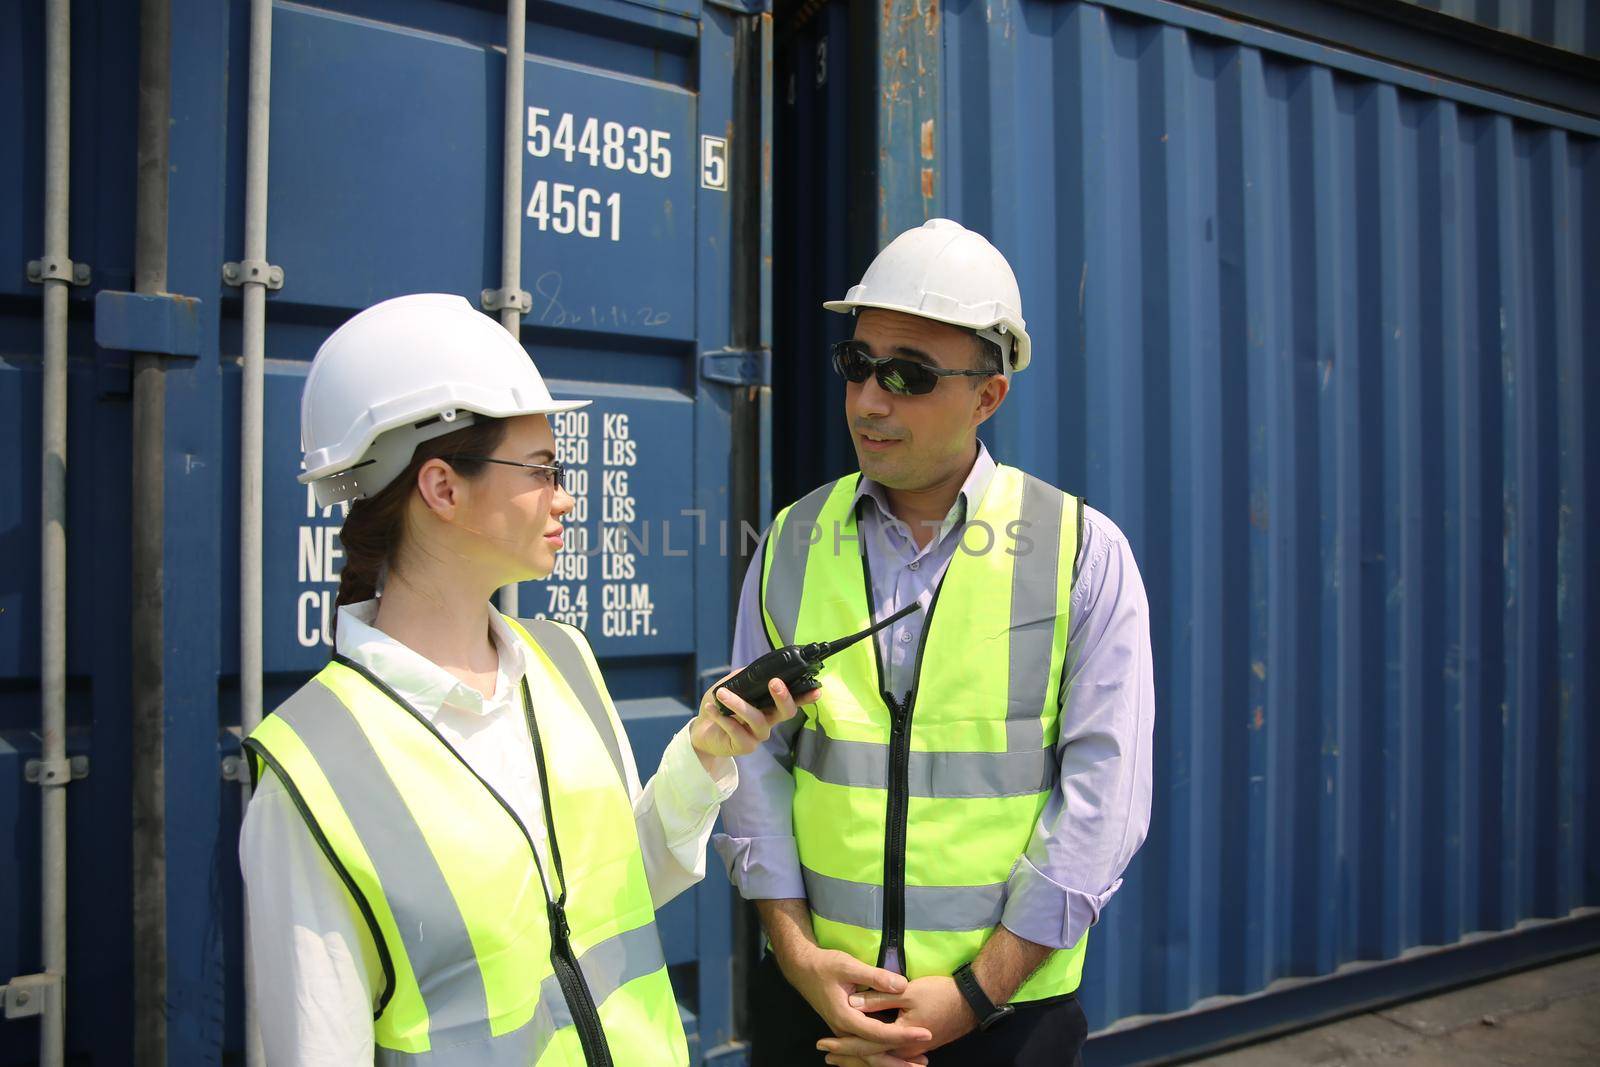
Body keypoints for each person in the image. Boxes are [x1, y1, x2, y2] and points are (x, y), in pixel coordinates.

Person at [239, 293, 811, 1066]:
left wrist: (703, 754)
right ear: (441, 488)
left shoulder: (563, 661)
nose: (566, 496)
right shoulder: (310, 775)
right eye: (542, 470)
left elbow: (597, 905)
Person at [714, 220, 1155, 1067]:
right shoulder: (792, 541)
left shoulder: (1078, 553)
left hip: (1005, 1022)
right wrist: (803, 960)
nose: (869, 400)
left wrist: (971, 997)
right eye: (857, 364)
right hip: (813, 1006)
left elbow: (1106, 804)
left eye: (907, 375)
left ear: (988, 396)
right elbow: (751, 764)